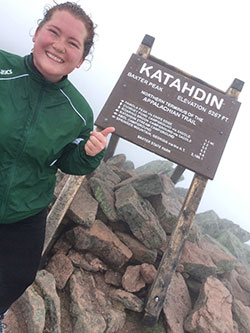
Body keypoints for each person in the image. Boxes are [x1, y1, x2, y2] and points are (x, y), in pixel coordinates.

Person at [0, 2, 114, 329]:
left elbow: (69, 160)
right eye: (53, 32)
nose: (59, 45)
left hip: (26, 207)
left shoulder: (78, 111)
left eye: (73, 43)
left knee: (18, 274)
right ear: (37, 33)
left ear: (80, 60)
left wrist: (90, 152)